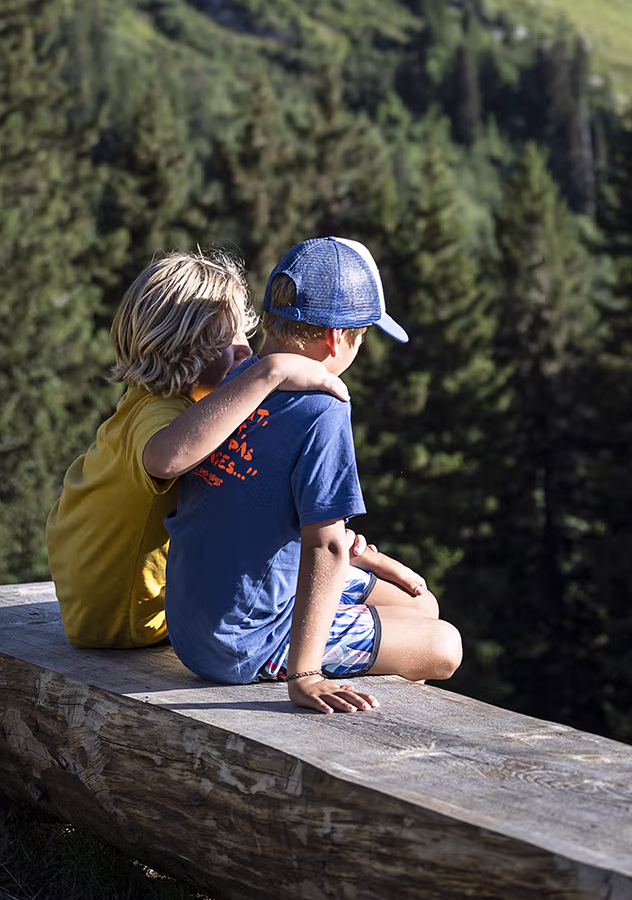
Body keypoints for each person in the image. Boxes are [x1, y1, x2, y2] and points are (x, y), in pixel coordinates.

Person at [164, 236, 463, 714]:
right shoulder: (321, 408)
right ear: (337, 338)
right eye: (363, 337)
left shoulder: (238, 379)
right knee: (444, 645)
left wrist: (360, 559)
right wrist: (306, 674)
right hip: (244, 643)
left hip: (194, 625)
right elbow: (324, 545)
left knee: (421, 605)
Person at [47, 248, 353, 649]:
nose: (246, 350)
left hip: (105, 607)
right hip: (125, 619)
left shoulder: (161, 404)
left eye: (246, 334)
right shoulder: (159, 412)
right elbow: (166, 458)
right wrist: (269, 371)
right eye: (229, 339)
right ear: (184, 348)